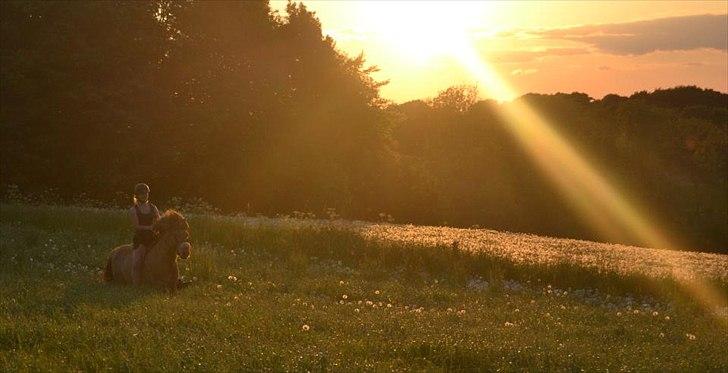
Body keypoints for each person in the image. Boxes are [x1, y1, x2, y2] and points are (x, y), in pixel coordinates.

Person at [129, 183, 161, 285]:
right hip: (141, 239)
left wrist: (158, 227)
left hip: (153, 238)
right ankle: (136, 285)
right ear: (137, 195)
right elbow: (137, 227)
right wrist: (150, 227)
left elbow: (159, 221)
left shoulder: (153, 208)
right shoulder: (134, 210)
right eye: (142, 193)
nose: (144, 195)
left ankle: (175, 281)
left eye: (146, 193)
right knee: (137, 263)